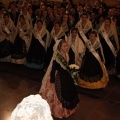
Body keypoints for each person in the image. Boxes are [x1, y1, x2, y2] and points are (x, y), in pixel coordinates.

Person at [39, 39, 79, 119]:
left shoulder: (66, 53)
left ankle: (67, 110)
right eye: (64, 46)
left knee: (69, 91)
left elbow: (67, 65)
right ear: (59, 47)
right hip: (58, 76)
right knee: (59, 93)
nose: (66, 47)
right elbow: (53, 68)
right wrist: (53, 79)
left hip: (66, 75)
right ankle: (58, 111)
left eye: (66, 45)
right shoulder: (57, 56)